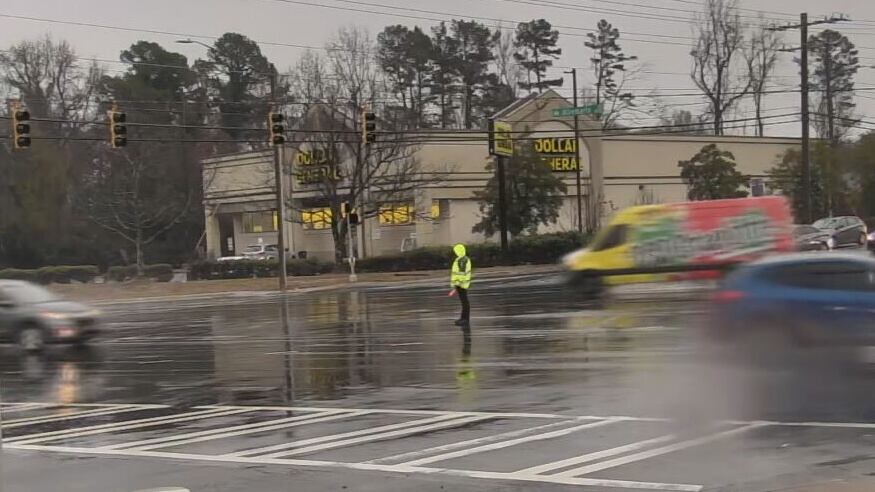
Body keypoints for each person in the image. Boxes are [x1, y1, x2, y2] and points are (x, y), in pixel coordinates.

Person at [450, 243, 472, 326]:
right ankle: (463, 318)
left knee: (464, 301)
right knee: (463, 301)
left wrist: (458, 283)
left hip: (461, 284)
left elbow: (462, 273)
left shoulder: (463, 260)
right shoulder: (460, 259)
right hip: (459, 283)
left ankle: (465, 319)